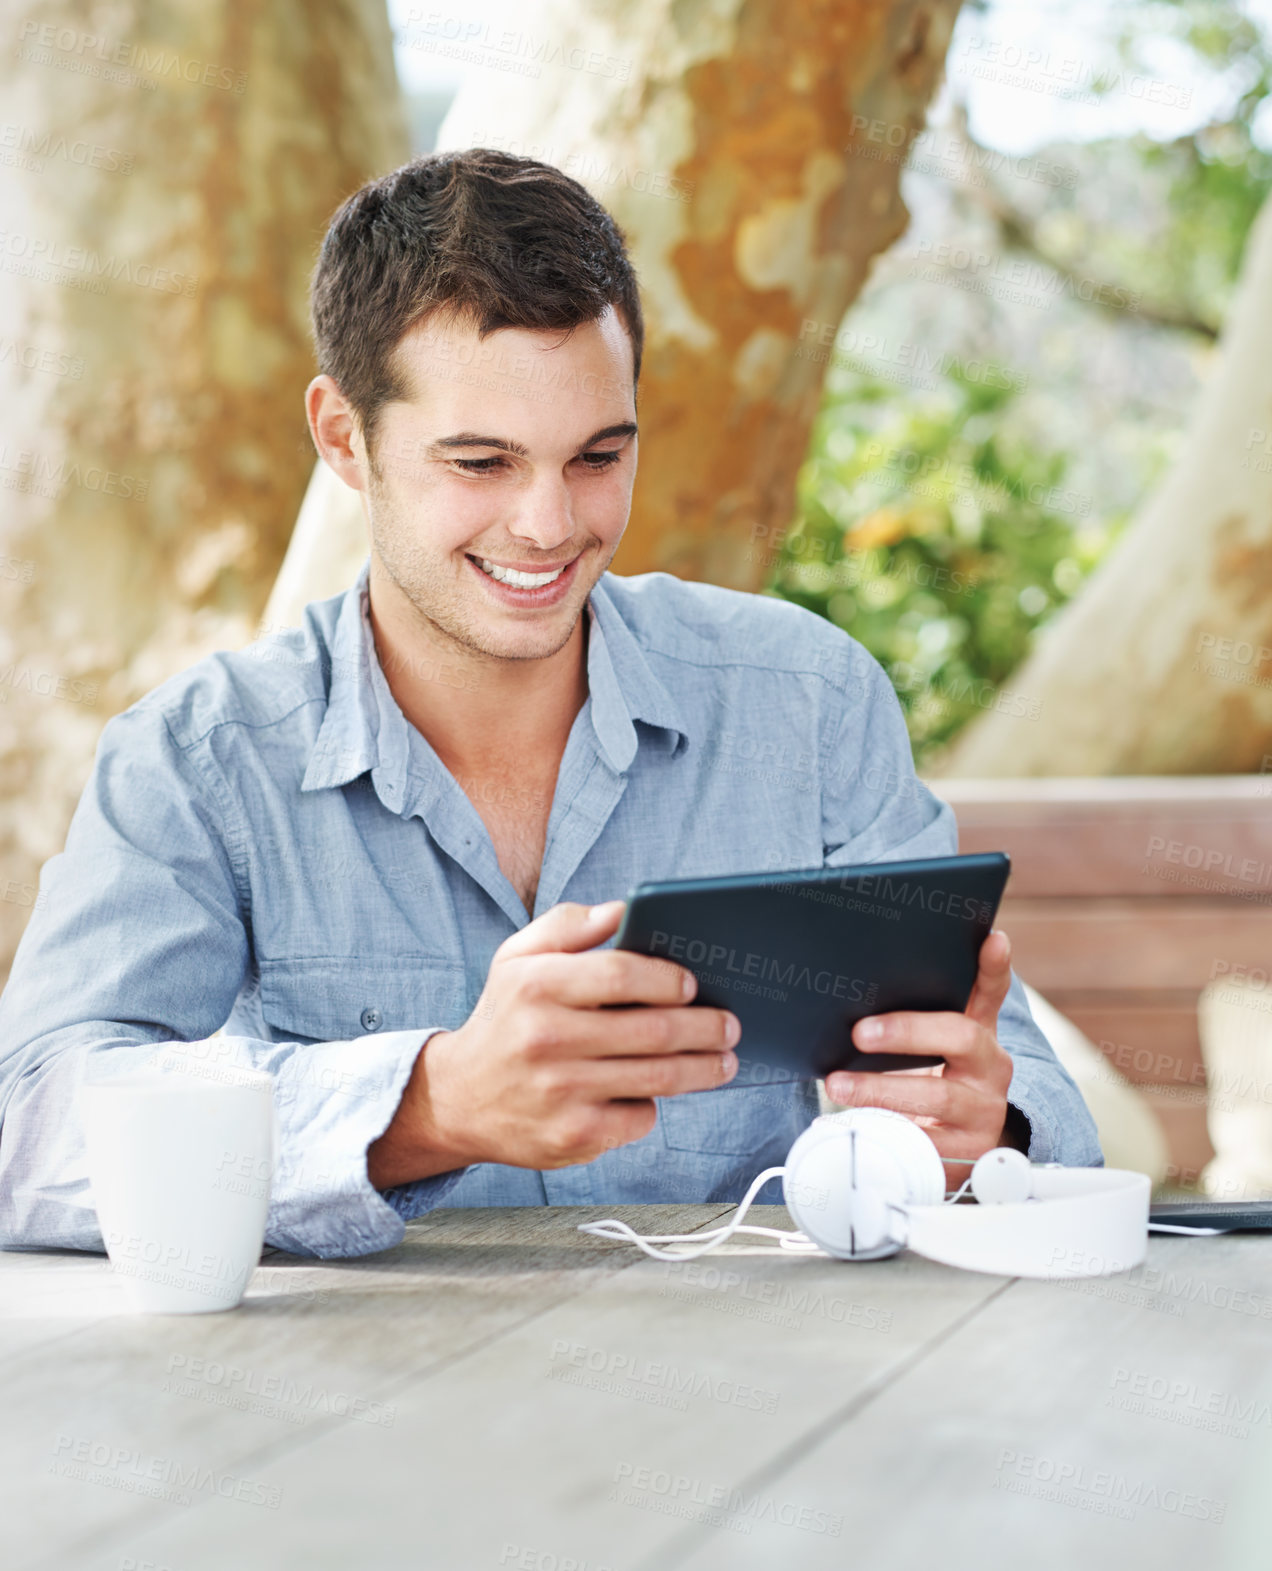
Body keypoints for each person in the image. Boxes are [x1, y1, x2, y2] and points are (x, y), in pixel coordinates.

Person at [0, 149, 1100, 1260]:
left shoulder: (808, 705)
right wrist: (426, 1105)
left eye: (597, 455)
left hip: (753, 1401)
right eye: (480, 462)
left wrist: (985, 1132)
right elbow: (28, 1129)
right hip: (342, 1406)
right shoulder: (195, 760)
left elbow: (1041, 1119)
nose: (547, 523)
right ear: (344, 437)